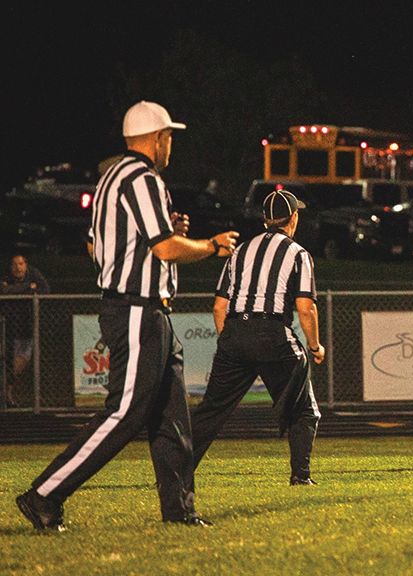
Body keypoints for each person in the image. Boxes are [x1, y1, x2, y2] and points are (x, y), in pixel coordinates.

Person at [16, 100, 239, 531]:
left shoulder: (110, 179)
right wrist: (211, 246)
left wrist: (165, 234)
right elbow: (165, 248)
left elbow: (96, 245)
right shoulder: (144, 177)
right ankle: (44, 494)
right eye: (169, 137)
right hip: (137, 308)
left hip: (143, 310)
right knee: (124, 412)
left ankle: (179, 510)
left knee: (172, 418)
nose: (171, 145)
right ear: (157, 138)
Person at [191, 188, 323, 486]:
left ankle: (176, 472)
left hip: (235, 332)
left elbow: (219, 306)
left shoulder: (240, 251)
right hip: (271, 333)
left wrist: (231, 341)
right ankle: (300, 476)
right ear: (293, 218)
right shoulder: (298, 253)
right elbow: (306, 309)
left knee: (210, 412)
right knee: (304, 410)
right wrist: (315, 346)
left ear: (265, 219)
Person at [1, 254, 50, 407]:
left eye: (21, 264)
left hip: (27, 324)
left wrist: (18, 291)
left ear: (26, 265)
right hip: (8, 325)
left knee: (22, 359)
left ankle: (5, 389)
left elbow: (45, 289)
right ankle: (6, 394)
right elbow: (5, 291)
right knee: (7, 358)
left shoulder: (34, 273)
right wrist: (29, 288)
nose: (18, 268)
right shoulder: (7, 276)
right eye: (15, 265)